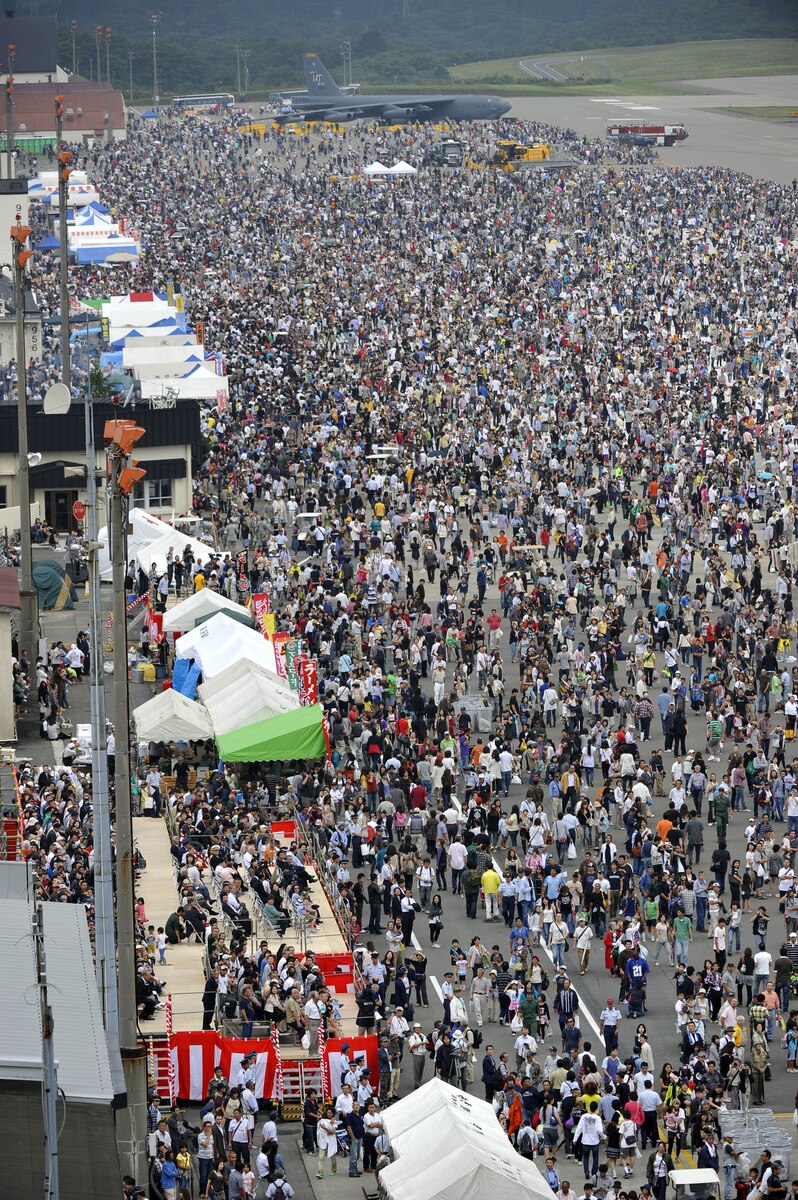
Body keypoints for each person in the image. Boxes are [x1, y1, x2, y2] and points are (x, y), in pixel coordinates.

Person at [315, 1105, 338, 1179]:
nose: (328, 1114)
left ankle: (334, 1169)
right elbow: (319, 1129)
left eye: (330, 1113)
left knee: (332, 1156)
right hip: (323, 1140)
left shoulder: (335, 1122)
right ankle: (320, 1172)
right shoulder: (323, 1121)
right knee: (321, 1157)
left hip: (331, 1140)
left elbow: (332, 1132)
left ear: (333, 1114)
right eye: (328, 1112)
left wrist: (325, 1128)